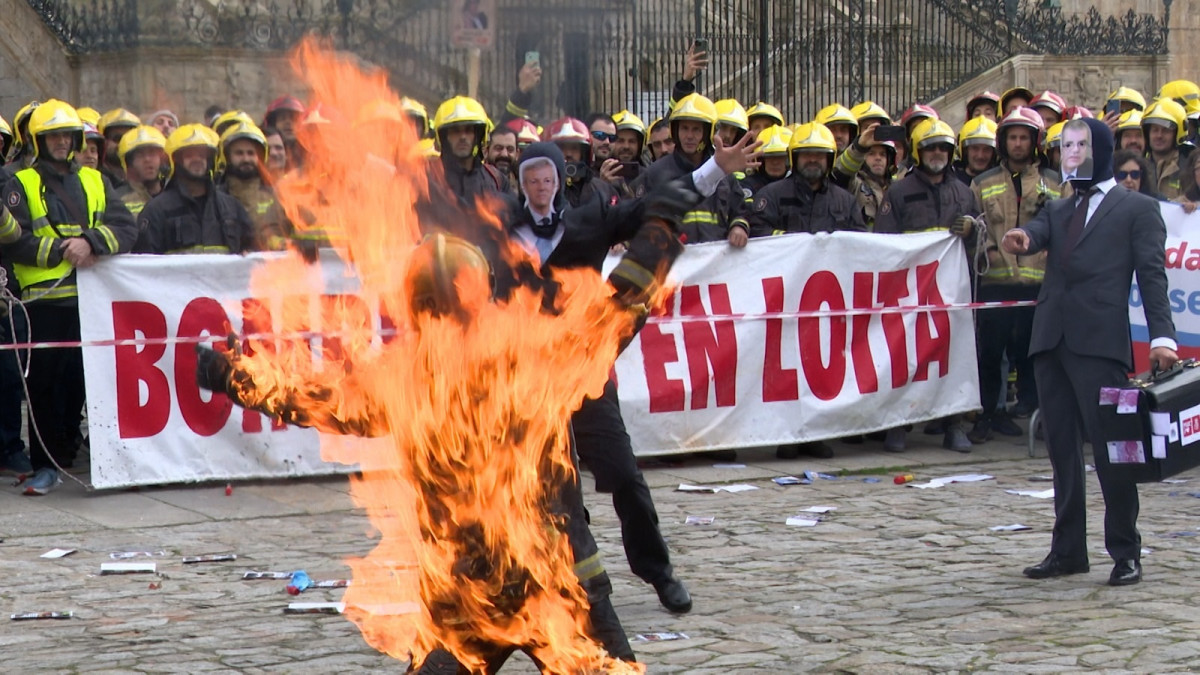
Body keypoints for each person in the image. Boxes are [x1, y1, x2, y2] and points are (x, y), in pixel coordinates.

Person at [1001, 117, 1178, 587]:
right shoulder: (1058, 209)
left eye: (1079, 145)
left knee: (1112, 450)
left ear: (1098, 150)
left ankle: (1125, 550)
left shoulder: (1136, 209)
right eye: (1065, 145)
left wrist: (1162, 338)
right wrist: (1022, 239)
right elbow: (1036, 230)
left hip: (1100, 344)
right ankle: (1067, 550)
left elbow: (1152, 277)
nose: (1070, 153)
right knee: (1061, 449)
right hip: (1051, 339)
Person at [0, 99, 138, 495]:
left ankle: (71, 457)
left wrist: (91, 242)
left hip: (92, 302)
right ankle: (45, 467)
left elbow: (125, 228)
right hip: (43, 304)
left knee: (83, 384)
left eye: (66, 135)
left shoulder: (96, 181)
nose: (61, 142)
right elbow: (17, 242)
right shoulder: (21, 183)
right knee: (43, 387)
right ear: (38, 141)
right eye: (52, 136)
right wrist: (65, 250)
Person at [739, 121, 865, 460]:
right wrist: (801, 246)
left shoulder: (844, 200)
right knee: (785, 370)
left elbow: (861, 240)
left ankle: (815, 434)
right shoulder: (771, 197)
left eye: (820, 156)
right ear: (795, 158)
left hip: (826, 303)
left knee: (820, 370)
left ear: (829, 160)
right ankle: (786, 436)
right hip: (783, 301)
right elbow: (760, 234)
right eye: (806, 155)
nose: (813, 161)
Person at [875, 118, 977, 453]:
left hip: (952, 294)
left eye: (943, 148)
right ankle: (899, 425)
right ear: (919, 152)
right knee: (905, 358)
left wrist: (972, 230)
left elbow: (979, 244)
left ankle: (955, 424)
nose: (937, 153)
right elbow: (883, 242)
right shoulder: (900, 191)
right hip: (909, 293)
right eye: (931, 147)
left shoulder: (964, 192)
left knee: (955, 359)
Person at [968, 107, 1065, 442]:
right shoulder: (981, 183)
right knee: (991, 353)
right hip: (995, 283)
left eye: (1024, 137)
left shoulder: (1054, 182)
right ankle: (988, 415)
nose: (1019, 143)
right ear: (1003, 141)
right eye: (1013, 137)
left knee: (1033, 354)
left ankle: (1038, 416)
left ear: (1035, 141)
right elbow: (975, 229)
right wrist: (989, 252)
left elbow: (1064, 228)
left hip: (1039, 284)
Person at [135, 124, 255, 255]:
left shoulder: (232, 208)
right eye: (189, 155)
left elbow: (253, 252)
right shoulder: (156, 210)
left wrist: (248, 253)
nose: (197, 159)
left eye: (202, 155)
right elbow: (144, 265)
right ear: (176, 161)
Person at [217, 120, 290, 250]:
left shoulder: (277, 196)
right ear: (227, 157)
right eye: (239, 153)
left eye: (251, 153)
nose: (246, 159)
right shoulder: (216, 197)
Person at [429, 96, 509, 207]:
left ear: (478, 135)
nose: (462, 137)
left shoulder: (496, 180)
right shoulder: (425, 177)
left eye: (468, 130)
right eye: (455, 131)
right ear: (444, 137)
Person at [545, 116, 616, 208]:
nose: (569, 154)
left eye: (574, 148)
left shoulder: (602, 189)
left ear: (583, 153)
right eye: (562, 148)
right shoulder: (540, 189)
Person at [114, 125, 167, 216]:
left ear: (162, 159)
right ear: (129, 164)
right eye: (140, 155)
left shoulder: (176, 196)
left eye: (152, 153)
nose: (147, 159)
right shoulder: (118, 199)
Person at [1142, 98, 1187, 200]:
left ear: (1177, 134)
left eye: (1165, 130)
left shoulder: (1190, 167)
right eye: (1155, 130)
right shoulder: (1139, 168)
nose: (1159, 135)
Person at [97, 107, 141, 190]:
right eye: (117, 138)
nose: (123, 144)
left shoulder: (146, 177)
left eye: (129, 139)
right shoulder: (95, 178)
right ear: (103, 141)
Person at [952, 116, 998, 186]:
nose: (980, 155)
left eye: (986, 149)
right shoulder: (951, 182)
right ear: (965, 151)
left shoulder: (1005, 180)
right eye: (975, 148)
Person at [482, 125, 518, 192]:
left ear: (517, 154)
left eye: (510, 149)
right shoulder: (473, 184)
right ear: (486, 152)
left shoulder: (524, 187)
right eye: (498, 148)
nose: (504, 154)